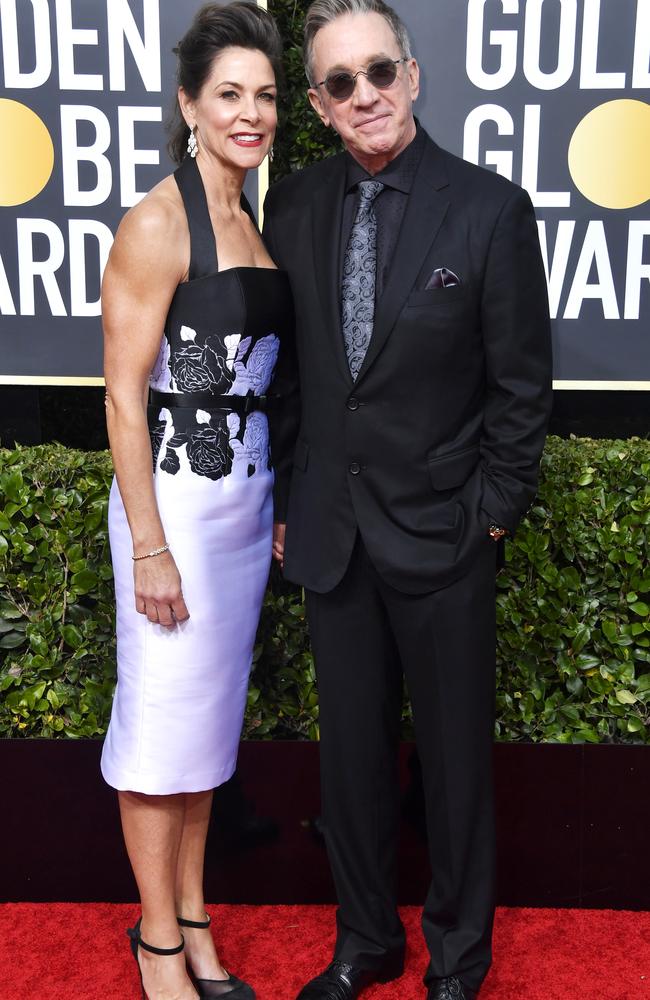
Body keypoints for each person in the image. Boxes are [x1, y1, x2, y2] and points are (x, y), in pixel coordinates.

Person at [263, 2, 553, 998]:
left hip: (445, 536)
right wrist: (286, 502)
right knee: (347, 768)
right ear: (317, 104)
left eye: (378, 70)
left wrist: (490, 516)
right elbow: (293, 374)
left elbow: (519, 391)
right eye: (339, 83)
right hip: (331, 540)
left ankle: (456, 958)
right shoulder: (292, 206)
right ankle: (365, 941)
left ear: (413, 75)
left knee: (453, 771)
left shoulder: (486, 209)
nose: (364, 95)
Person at [100, 4, 292, 998]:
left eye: (264, 95)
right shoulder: (158, 220)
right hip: (172, 512)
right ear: (188, 104)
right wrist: (148, 546)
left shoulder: (246, 214)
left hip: (240, 514)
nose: (250, 113)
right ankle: (157, 944)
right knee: (158, 729)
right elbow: (123, 395)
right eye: (230, 94)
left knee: (205, 733)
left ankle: (196, 920)